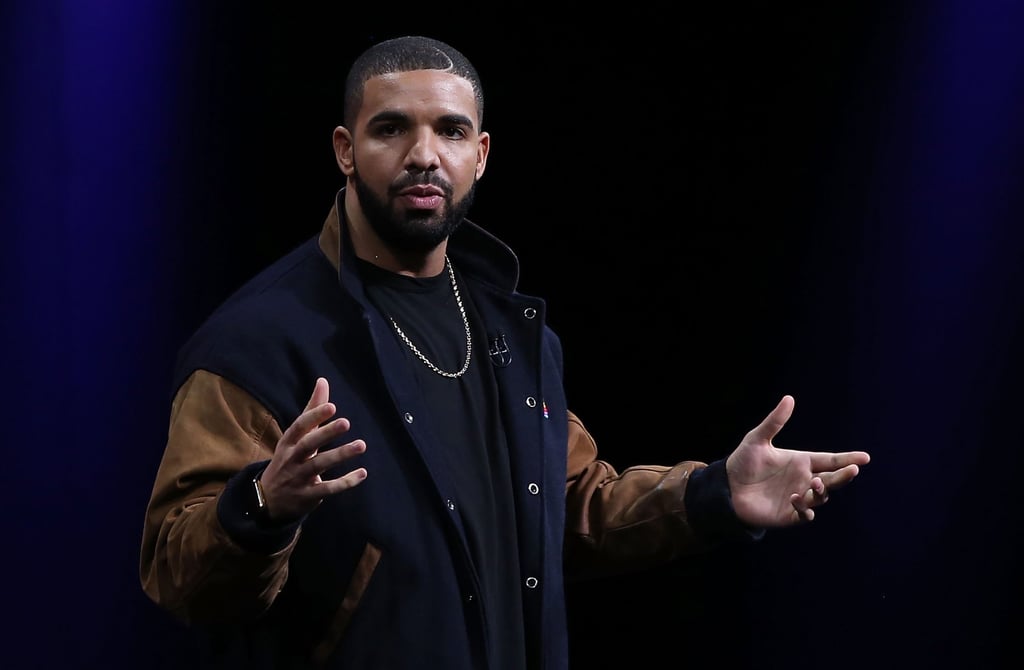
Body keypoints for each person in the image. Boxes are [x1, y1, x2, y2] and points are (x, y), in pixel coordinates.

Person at [139, 35, 871, 670]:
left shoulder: (512, 335)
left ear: (480, 154)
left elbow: (573, 505)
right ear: (345, 150)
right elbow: (176, 573)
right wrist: (261, 505)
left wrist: (716, 493)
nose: (424, 155)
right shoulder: (260, 341)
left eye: (451, 131)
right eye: (391, 129)